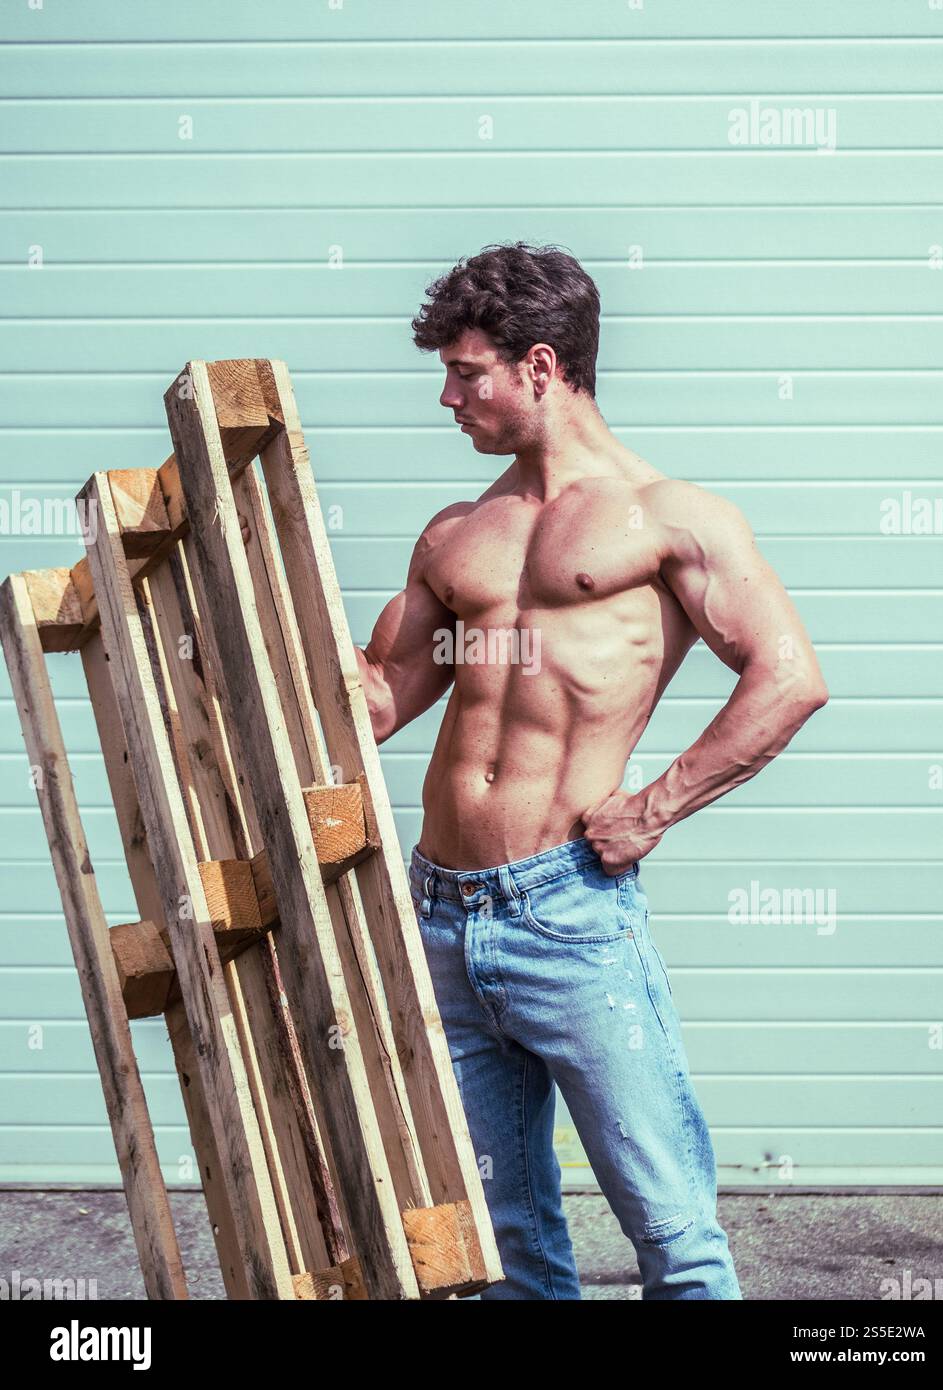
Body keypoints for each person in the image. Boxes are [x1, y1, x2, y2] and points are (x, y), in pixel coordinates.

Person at [352, 242, 829, 1299]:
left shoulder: (668, 519)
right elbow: (378, 696)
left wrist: (652, 809)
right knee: (499, 1244)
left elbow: (787, 677)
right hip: (437, 909)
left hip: (567, 911)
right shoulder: (457, 532)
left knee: (673, 1235)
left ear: (539, 365)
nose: (447, 396)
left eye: (465, 372)